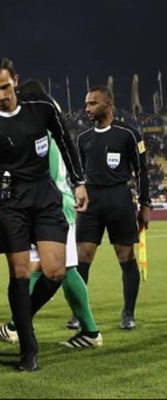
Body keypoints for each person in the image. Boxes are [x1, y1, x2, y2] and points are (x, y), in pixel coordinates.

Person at [0, 57, 88, 372]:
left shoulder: (42, 105)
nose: (0, 95)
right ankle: (28, 348)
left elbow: (66, 141)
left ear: (15, 79)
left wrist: (79, 181)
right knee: (21, 273)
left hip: (44, 195)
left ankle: (20, 321)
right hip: (9, 200)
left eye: (4, 86)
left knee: (55, 272)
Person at [0, 80, 103, 349]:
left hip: (51, 207)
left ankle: (88, 331)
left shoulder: (42, 133)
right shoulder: (53, 128)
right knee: (44, 269)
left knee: (61, 270)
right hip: (57, 203)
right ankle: (17, 324)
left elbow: (44, 177)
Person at [75, 85, 151, 330]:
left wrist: (145, 204)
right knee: (82, 257)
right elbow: (79, 174)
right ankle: (79, 314)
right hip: (91, 202)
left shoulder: (129, 134)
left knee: (125, 256)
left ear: (108, 105)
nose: (87, 108)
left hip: (119, 198)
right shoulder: (83, 138)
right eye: (86, 104)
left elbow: (142, 171)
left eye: (92, 103)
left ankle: (128, 313)